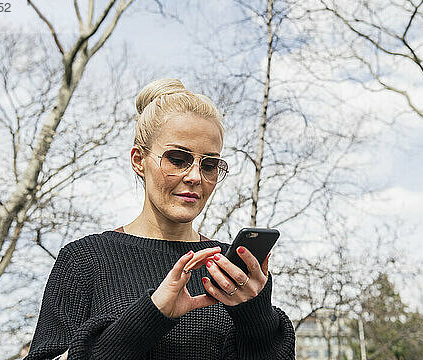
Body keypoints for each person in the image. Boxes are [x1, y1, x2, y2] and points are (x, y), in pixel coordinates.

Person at [25, 78, 296, 359]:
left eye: (210, 164)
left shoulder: (229, 270)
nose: (194, 177)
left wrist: (257, 320)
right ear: (139, 160)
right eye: (177, 159)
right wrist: (149, 316)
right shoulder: (85, 259)